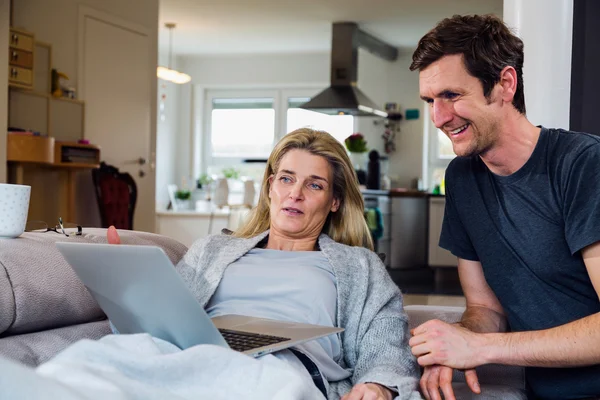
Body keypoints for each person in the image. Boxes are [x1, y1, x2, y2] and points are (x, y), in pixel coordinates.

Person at [110, 128, 420, 400]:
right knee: (88, 358)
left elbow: (387, 339)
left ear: (334, 201)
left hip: (281, 364)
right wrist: (127, 288)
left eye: (314, 185)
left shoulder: (359, 265)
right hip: (195, 354)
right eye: (286, 179)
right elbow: (157, 324)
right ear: (271, 187)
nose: (294, 194)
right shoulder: (212, 250)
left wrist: (379, 385)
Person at [407, 13, 600, 400]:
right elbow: (484, 308)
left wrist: (482, 349)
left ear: (505, 84)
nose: (438, 118)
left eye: (452, 95)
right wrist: (457, 343)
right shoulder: (462, 179)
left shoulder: (582, 164)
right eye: (430, 100)